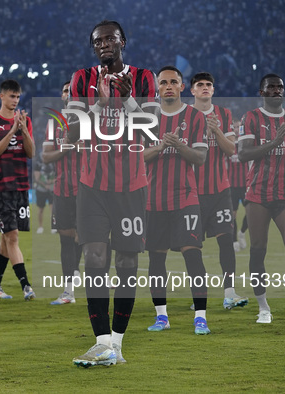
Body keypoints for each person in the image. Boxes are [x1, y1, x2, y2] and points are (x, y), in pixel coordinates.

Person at [67, 20, 159, 367]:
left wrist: (126, 99)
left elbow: (152, 135)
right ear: (93, 47)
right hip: (91, 185)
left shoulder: (145, 78)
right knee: (94, 258)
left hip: (131, 186)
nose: (104, 44)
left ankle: (117, 345)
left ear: (123, 41)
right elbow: (74, 130)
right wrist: (102, 103)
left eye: (110, 38)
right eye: (98, 40)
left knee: (126, 262)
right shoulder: (81, 79)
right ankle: (102, 342)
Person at [238, 73, 285, 326]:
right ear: (262, 92)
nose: (277, 90)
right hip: (257, 193)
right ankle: (264, 308)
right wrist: (276, 141)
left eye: (280, 86)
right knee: (258, 252)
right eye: (271, 87)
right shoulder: (250, 118)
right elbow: (244, 153)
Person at [144, 66, 210, 335]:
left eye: (173, 82)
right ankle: (162, 316)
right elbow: (136, 157)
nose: (168, 86)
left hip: (186, 197)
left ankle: (201, 317)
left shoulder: (195, 117)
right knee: (156, 259)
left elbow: (201, 158)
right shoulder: (146, 118)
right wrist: (160, 146)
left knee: (192, 255)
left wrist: (178, 145)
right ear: (157, 88)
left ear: (182, 86)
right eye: (163, 82)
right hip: (153, 200)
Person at [190, 72, 248, 309]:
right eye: (200, 85)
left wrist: (217, 132)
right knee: (193, 247)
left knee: (226, 241)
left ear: (213, 90)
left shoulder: (223, 115)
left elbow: (232, 150)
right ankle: (198, 297)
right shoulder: (185, 115)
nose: (205, 88)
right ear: (192, 90)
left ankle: (229, 293)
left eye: (209, 85)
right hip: (191, 192)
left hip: (220, 190)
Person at [0, 79, 36, 301]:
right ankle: (26, 285)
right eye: (11, 96)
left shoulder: (25, 121)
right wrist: (12, 129)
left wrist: (23, 130)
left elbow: (31, 153)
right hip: (0, 186)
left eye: (17, 97)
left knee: (8, 239)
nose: (15, 100)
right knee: (12, 237)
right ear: (2, 96)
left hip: (21, 186)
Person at [42, 80, 81, 305]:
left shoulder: (92, 122)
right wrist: (65, 148)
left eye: (73, 91)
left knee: (91, 239)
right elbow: (46, 156)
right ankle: (68, 291)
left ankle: (99, 285)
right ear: (62, 95)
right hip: (63, 188)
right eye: (66, 90)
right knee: (66, 240)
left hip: (89, 189)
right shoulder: (53, 123)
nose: (69, 94)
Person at [228, 119, 248, 252]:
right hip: (232, 185)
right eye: (234, 127)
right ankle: (234, 239)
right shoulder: (228, 145)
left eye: (238, 127)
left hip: (246, 184)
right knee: (232, 214)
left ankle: (242, 232)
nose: (236, 129)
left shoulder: (246, 144)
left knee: (251, 213)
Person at [33, 159, 55, 234]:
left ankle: (53, 227)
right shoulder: (38, 164)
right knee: (40, 209)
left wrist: (51, 182)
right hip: (41, 190)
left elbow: (58, 175)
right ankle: (40, 227)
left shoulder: (54, 163)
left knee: (53, 209)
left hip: (52, 190)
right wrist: (45, 185)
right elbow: (37, 178)